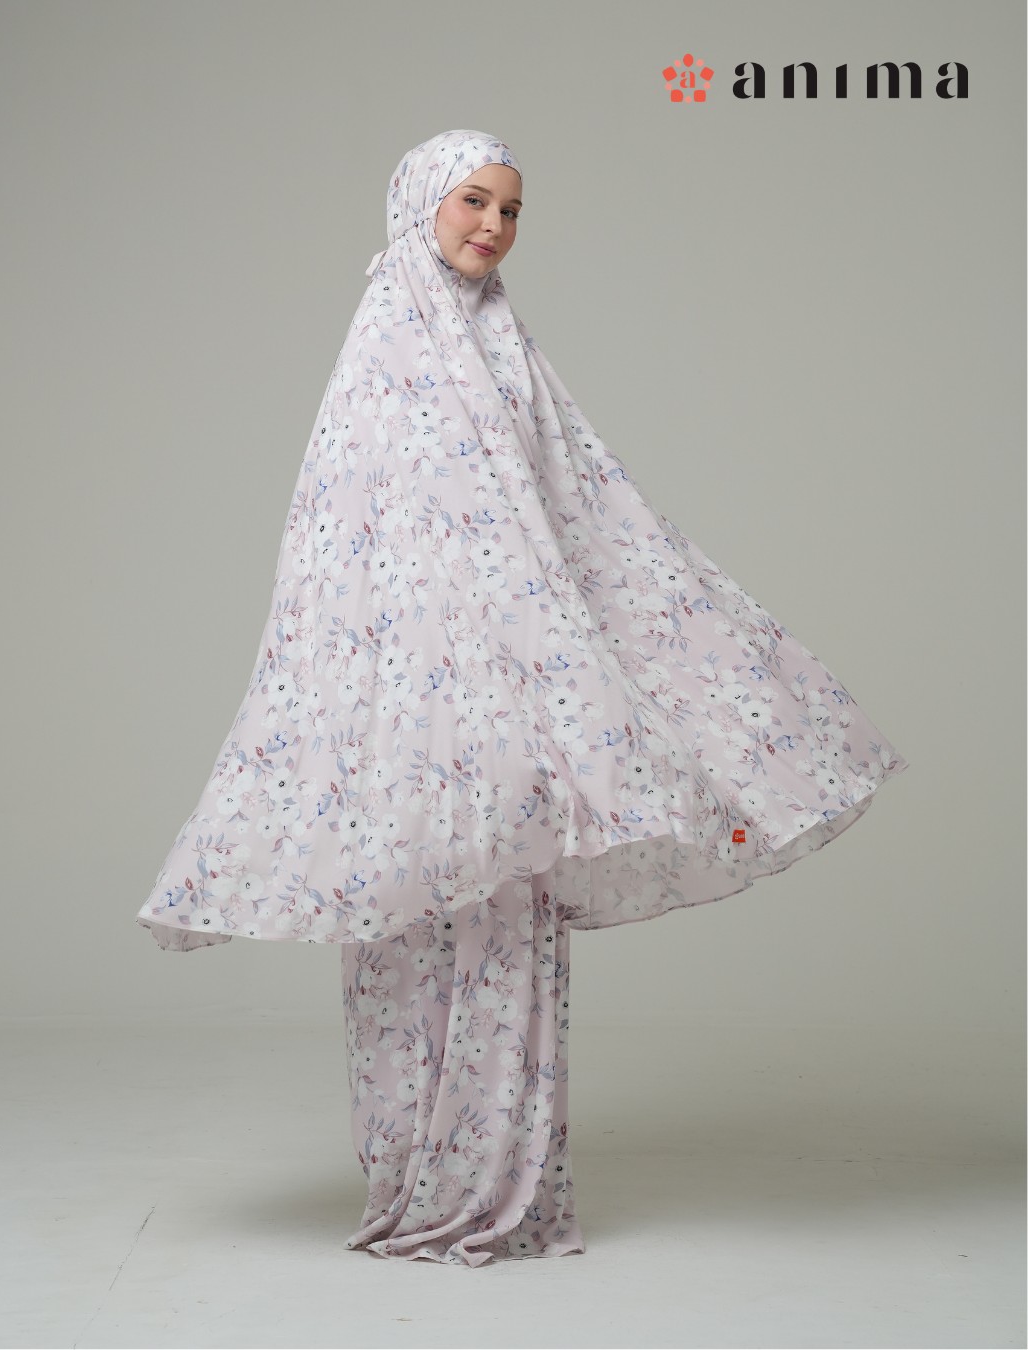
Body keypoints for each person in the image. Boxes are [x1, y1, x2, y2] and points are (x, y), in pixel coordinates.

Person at [136, 129, 909, 1265]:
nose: (493, 227)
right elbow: (342, 537)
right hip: (416, 704)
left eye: (509, 210)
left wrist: (585, 668)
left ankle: (498, 1185)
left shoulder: (505, 346)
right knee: (407, 939)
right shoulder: (387, 343)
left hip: (517, 697)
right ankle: (416, 1178)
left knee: (506, 926)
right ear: (419, 204)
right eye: (473, 202)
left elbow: (579, 512)